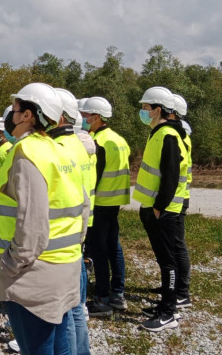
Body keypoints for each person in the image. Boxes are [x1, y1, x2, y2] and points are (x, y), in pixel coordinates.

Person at [0, 83, 87, 355]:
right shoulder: (60, 150)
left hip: (34, 273)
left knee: (38, 349)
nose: (9, 116)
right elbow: (83, 208)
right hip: (65, 265)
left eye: (14, 110)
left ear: (28, 115)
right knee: (61, 347)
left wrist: (11, 265)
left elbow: (33, 221)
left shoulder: (26, 153)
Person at [133, 86, 188, 332]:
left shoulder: (168, 135)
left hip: (163, 210)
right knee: (165, 260)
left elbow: (170, 177)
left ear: (158, 110)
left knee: (168, 262)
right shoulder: (158, 132)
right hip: (154, 207)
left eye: (146, 108)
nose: (142, 112)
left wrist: (158, 207)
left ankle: (168, 313)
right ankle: (165, 305)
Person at [50, 88, 95, 355]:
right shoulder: (80, 146)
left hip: (61, 239)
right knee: (75, 305)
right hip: (75, 233)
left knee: (65, 308)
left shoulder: (63, 148)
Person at [79, 96, 130, 316]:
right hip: (114, 202)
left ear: (96, 117)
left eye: (84, 115)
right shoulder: (118, 139)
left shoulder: (98, 141)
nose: (81, 119)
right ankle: (118, 294)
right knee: (113, 248)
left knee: (99, 252)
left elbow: (94, 176)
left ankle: (102, 299)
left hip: (99, 203)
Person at [163, 93, 192, 309]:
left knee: (177, 245)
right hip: (181, 196)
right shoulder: (183, 133)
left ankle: (182, 292)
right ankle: (175, 289)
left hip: (178, 197)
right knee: (175, 246)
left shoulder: (179, 135)